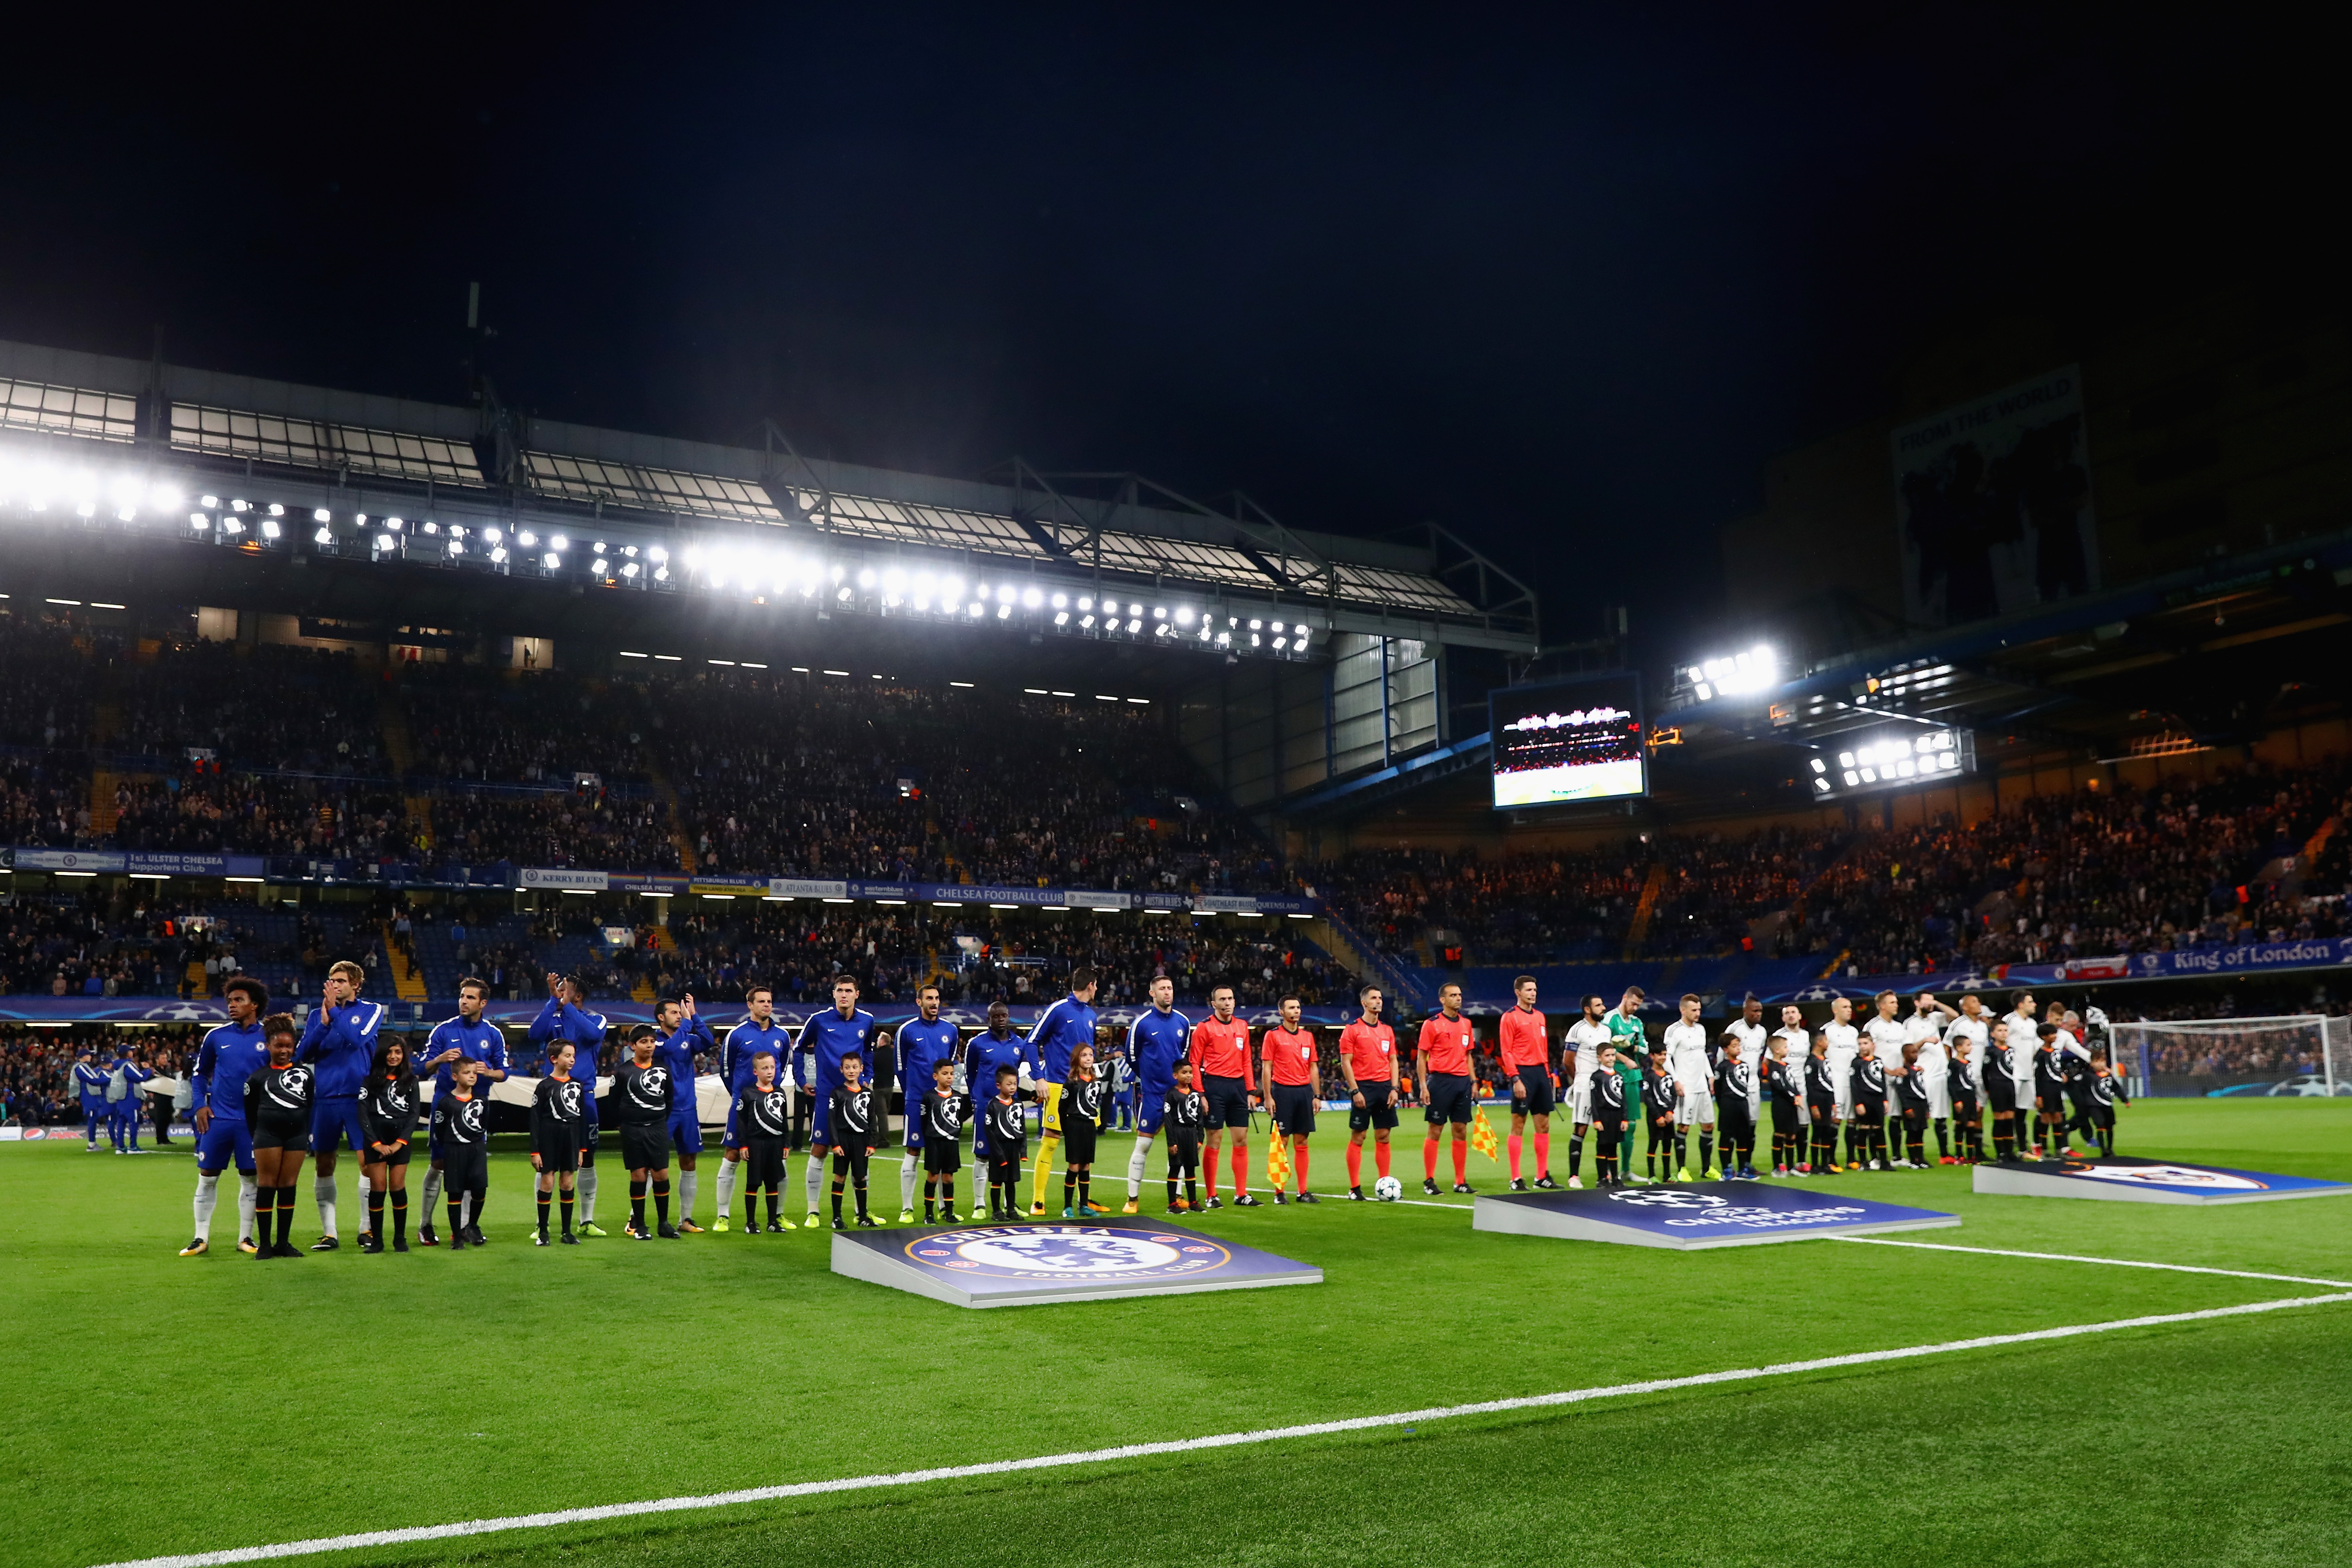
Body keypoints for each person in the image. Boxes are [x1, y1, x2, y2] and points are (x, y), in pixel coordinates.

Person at [183, 976, 270, 1257]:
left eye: (239, 1000)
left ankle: (246, 1237)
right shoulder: (216, 1036)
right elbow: (199, 1074)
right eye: (230, 1001)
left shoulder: (269, 1036)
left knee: (250, 1178)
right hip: (218, 1119)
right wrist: (199, 1105)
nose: (232, 1005)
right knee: (207, 1176)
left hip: (252, 1123)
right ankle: (200, 1237)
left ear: (254, 1005)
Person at [418, 977, 507, 1248]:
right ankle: (426, 1224)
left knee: (473, 1167)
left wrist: (488, 1072)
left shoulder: (493, 1034)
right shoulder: (443, 1031)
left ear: (483, 1003)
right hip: (445, 1105)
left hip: (477, 1108)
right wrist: (441, 1059)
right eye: (462, 996)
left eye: (470, 998)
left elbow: (504, 1072)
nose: (463, 1002)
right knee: (439, 1163)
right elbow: (421, 1068)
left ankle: (467, 1226)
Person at [528, 971, 610, 1235]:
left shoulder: (596, 1019)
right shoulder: (554, 1017)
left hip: (583, 1096)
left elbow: (592, 1035)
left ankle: (586, 1221)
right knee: (547, 1162)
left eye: (566, 988)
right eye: (559, 986)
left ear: (578, 996)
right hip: (553, 1095)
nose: (560, 989)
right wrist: (553, 1002)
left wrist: (567, 1007)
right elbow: (534, 1033)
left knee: (587, 1158)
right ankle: (542, 1225)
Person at [795, 976, 876, 1227]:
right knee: (820, 1149)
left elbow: (869, 1050)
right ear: (834, 994)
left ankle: (860, 1212)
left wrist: (868, 1076)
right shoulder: (819, 1020)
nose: (844, 995)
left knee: (860, 1153)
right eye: (840, 990)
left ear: (856, 994)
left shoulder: (867, 1020)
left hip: (856, 1097)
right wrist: (801, 1079)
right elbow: (798, 1048)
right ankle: (813, 1211)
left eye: (849, 991)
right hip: (827, 1095)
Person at [713, 983, 791, 1232]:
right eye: (761, 1002)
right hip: (744, 1105)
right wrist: (742, 1097)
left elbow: (783, 1068)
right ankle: (723, 1215)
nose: (766, 1005)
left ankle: (776, 1216)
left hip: (772, 1107)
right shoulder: (736, 1035)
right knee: (733, 1155)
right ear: (750, 1005)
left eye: (769, 1001)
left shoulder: (783, 1036)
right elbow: (726, 1071)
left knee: (777, 1161)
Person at [1024, 968, 1099, 1217]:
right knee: (1051, 1141)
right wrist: (1039, 1078)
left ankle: (1084, 1202)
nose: (1097, 989)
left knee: (1085, 1146)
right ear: (1090, 985)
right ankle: (1038, 1201)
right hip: (1058, 1085)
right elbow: (1031, 1042)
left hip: (1086, 1088)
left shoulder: (1090, 1014)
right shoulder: (1058, 1010)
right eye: (1096, 985)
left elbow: (1087, 1054)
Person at [243, 1014, 313, 1259]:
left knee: (288, 1185)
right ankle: (264, 1245)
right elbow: (250, 1113)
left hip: (297, 1136)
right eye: (279, 1046)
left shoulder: (305, 1074)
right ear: (269, 1046)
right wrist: (258, 1138)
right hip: (267, 1135)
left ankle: (283, 1243)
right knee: (267, 1185)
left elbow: (309, 1105)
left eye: (288, 1046)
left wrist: (306, 1134)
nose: (284, 1051)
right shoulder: (257, 1077)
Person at [1121, 975, 1191, 1214]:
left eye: (1170, 988)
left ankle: (1178, 1196)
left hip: (1177, 1096)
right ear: (1152, 993)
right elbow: (1131, 1056)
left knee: (1181, 1147)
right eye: (1162, 989)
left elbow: (1183, 1056)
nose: (1167, 992)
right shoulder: (1142, 1024)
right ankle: (1132, 1199)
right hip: (1152, 1095)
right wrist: (1148, 1076)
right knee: (1143, 1145)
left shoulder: (1183, 1022)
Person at [892, 984, 960, 1223]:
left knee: (942, 1154)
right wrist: (913, 1092)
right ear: (919, 1002)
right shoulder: (907, 1031)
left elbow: (948, 1062)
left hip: (943, 1104)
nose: (934, 1002)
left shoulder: (950, 1030)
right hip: (917, 1102)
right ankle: (907, 1208)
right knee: (913, 1150)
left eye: (937, 998)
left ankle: (943, 1208)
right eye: (929, 998)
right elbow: (899, 1066)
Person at [1187, 984, 1258, 1208]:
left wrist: (1250, 1091)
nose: (1228, 1003)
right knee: (1214, 1139)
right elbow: (1194, 1063)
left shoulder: (1243, 1026)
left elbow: (1247, 1059)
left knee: (1241, 1139)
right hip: (1214, 1086)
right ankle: (1211, 1195)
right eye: (1223, 999)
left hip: (1238, 1087)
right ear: (1214, 1003)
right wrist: (1201, 1094)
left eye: (1231, 999)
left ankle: (1241, 1194)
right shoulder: (1204, 1028)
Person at [651, 993, 716, 1232]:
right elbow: (670, 1047)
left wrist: (695, 1015)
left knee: (689, 1161)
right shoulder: (654, 1040)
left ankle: (686, 1219)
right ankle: (634, 1218)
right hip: (663, 1110)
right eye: (674, 1012)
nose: (679, 1016)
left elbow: (708, 1040)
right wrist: (688, 1023)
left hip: (688, 1108)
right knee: (653, 1163)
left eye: (680, 1012)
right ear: (661, 1017)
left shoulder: (688, 1036)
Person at [964, 1002, 1036, 1218]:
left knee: (1009, 1156)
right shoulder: (977, 1044)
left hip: (1009, 1110)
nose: (1001, 1019)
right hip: (986, 1107)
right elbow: (970, 1073)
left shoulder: (1020, 1044)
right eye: (996, 1016)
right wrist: (976, 1097)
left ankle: (1009, 1205)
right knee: (983, 1155)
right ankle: (980, 1205)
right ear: (989, 1019)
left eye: (1004, 1015)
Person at [614, 1024, 678, 1240]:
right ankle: (640, 1225)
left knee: (661, 1174)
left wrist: (659, 1120)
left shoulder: (663, 1070)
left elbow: (668, 1099)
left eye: (652, 1041)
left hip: (658, 1128)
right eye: (644, 1042)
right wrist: (625, 1125)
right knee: (639, 1174)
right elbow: (615, 1104)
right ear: (632, 1046)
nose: (649, 1046)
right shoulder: (623, 1072)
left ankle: (664, 1223)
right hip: (633, 1130)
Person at [1337, 984, 1401, 1200]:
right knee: (1359, 1136)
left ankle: (1385, 1182)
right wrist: (1355, 1091)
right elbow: (1346, 1062)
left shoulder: (1387, 1031)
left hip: (1385, 1087)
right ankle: (1355, 1188)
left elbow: (1393, 1060)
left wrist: (1394, 1087)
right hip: (1363, 1086)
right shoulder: (1352, 1030)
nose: (1379, 1001)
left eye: (1380, 998)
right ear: (1364, 1003)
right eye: (1374, 998)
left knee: (1383, 1136)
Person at [359, 1036, 421, 1254]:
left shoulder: (411, 1082)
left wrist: (399, 1143)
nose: (394, 1056)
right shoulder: (369, 1081)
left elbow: (414, 1115)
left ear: (404, 1055)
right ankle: (377, 1241)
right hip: (376, 1141)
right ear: (382, 1054)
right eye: (389, 1052)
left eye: (398, 1052)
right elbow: (363, 1114)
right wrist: (375, 1144)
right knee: (378, 1188)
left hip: (400, 1142)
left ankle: (400, 1239)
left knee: (397, 1186)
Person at [1417, 981, 1477, 1196]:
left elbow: (1468, 1055)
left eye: (1460, 995)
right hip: (1440, 1081)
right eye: (1453, 995)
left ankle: (1460, 1181)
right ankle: (1429, 1181)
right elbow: (1421, 1057)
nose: (1458, 998)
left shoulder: (1466, 1025)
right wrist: (1424, 1086)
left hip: (1462, 1082)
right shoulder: (1431, 1024)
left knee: (1461, 1130)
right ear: (1442, 1000)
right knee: (1436, 1129)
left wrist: (1474, 1081)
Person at [530, 1039, 591, 1245]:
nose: (572, 1060)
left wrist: (581, 1148)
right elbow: (535, 1120)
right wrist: (535, 1151)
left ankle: (567, 1232)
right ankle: (544, 1232)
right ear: (554, 1059)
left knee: (567, 1182)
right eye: (567, 1056)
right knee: (548, 1181)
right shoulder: (544, 1086)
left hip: (571, 1137)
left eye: (574, 1056)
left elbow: (582, 1119)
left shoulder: (577, 1085)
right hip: (549, 1136)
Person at [1260, 994, 1319, 1204]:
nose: (1297, 1011)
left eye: (1298, 1008)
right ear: (1281, 1012)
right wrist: (1268, 1097)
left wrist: (1317, 1095)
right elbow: (1267, 1068)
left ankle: (1303, 1192)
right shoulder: (1273, 1036)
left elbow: (1313, 1066)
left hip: (1304, 1092)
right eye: (1292, 1008)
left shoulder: (1308, 1037)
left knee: (1302, 1141)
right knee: (1281, 1142)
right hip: (1283, 1091)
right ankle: (1279, 1192)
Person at [1498, 974, 1555, 1191]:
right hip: (1522, 1073)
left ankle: (1541, 1176)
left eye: (1535, 990)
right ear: (1518, 993)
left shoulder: (1540, 1017)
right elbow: (1507, 1050)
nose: (1533, 993)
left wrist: (1548, 1075)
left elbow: (1544, 1048)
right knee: (1518, 1125)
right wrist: (1515, 1078)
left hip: (1541, 1072)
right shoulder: (1510, 1017)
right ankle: (1516, 1177)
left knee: (1544, 1125)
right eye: (1529, 990)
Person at [432, 1057, 491, 1251]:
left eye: (474, 1073)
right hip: (455, 1150)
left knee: (480, 1189)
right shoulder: (447, 1102)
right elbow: (439, 1129)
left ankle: (471, 1225)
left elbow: (484, 1124)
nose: (472, 1076)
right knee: (455, 1192)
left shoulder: (481, 1100)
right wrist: (449, 1146)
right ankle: (456, 1236)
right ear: (455, 1076)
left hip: (476, 1149)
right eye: (467, 1073)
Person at [730, 1050, 792, 1234]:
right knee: (754, 1182)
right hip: (756, 1143)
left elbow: (783, 1120)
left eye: (772, 1067)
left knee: (773, 1182)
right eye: (765, 1068)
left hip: (775, 1143)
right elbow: (741, 1121)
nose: (770, 1071)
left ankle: (773, 1222)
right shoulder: (748, 1093)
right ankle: (751, 1222)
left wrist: (785, 1143)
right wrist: (743, 1144)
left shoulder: (780, 1093)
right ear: (756, 1072)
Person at [1561, 993, 1613, 1189]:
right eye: (1599, 1005)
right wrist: (1579, 1079)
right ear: (1588, 1009)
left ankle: (1604, 1174)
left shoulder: (1606, 1031)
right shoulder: (1578, 1030)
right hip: (1585, 1084)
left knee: (1605, 1129)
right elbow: (1568, 1061)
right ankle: (1574, 1176)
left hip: (1604, 1086)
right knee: (1581, 1128)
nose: (1603, 1008)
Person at [1663, 993, 1717, 1180]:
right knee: (1684, 1127)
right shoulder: (1674, 1031)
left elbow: (1702, 1055)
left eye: (1699, 1010)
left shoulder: (1701, 1030)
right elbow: (1666, 1059)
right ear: (1683, 1010)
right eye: (1694, 1010)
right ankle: (1682, 1169)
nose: (1698, 1013)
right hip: (1686, 1086)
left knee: (1709, 1125)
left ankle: (1706, 1168)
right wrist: (1676, 1080)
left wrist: (1710, 1076)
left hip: (1702, 1085)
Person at [1059, 1042, 1113, 1217]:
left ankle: (1084, 1205)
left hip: (1089, 1126)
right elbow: (1062, 1108)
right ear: (1076, 1059)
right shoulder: (1071, 1083)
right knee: (1074, 1165)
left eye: (1091, 1055)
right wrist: (1066, 1130)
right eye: (1084, 1055)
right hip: (1074, 1125)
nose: (1089, 1058)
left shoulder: (1096, 1082)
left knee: (1086, 1166)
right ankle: (1068, 1206)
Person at [917, 1057, 966, 1223]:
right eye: (945, 1074)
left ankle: (949, 1212)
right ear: (935, 1076)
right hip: (934, 1142)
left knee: (948, 1177)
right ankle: (929, 1214)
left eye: (952, 1074)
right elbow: (923, 1120)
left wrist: (955, 1132)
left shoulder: (959, 1097)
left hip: (951, 1143)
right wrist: (930, 1136)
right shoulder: (929, 1097)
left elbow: (960, 1118)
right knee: (932, 1176)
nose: (949, 1077)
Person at [1942, 995, 1990, 1164]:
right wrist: (1953, 1067)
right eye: (1975, 1002)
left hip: (1979, 1075)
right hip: (1964, 1077)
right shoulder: (1958, 1024)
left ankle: (1977, 1151)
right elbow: (1947, 1045)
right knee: (1962, 1117)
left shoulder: (1984, 1026)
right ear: (1966, 1008)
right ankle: (1960, 1153)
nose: (1979, 1004)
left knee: (1979, 1113)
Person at [1769, 1003, 1811, 1173]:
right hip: (1786, 1090)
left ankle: (1800, 1161)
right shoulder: (1779, 1037)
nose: (1791, 1015)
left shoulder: (1806, 1035)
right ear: (1783, 1018)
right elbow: (1769, 1062)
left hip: (1802, 1085)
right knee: (1786, 1129)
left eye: (1794, 1012)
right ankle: (1782, 1165)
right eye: (1787, 1013)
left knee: (1803, 1124)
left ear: (1800, 1016)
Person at [1820, 995, 1861, 1170]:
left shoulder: (1854, 1032)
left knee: (1852, 1120)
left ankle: (1851, 1159)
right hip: (1835, 1082)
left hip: (1852, 1082)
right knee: (1835, 1120)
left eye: (1850, 1007)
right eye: (1845, 1007)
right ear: (1835, 1010)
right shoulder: (1827, 1030)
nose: (1849, 1010)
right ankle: (1831, 1160)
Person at [983, 1065, 1025, 1221]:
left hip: (1013, 1147)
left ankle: (1011, 1209)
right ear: (999, 1085)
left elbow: (1022, 1128)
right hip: (999, 1148)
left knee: (1011, 1180)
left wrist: (1023, 1151)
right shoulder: (993, 1105)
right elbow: (989, 1130)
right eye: (1009, 1084)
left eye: (1015, 1083)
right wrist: (998, 1153)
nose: (1013, 1087)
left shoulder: (1018, 1104)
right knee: (997, 1180)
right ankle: (996, 1211)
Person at [2000, 991, 2040, 1154]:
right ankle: (2006, 1148)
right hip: (2013, 1073)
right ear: (2021, 1005)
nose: (2035, 1004)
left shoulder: (2032, 1024)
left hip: (2028, 1073)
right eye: (2031, 1001)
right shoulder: (2010, 1020)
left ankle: (2023, 1148)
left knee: (2022, 1113)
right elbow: (1999, 1038)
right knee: (2009, 1112)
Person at [1164, 1059, 1207, 1211]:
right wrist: (1171, 1142)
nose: (1188, 1076)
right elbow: (1168, 1119)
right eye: (1184, 1073)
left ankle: (1193, 1202)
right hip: (1178, 1132)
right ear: (1175, 1075)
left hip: (1191, 1133)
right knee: (1175, 1168)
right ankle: (1172, 1204)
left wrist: (1200, 1140)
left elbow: (1200, 1118)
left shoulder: (1195, 1094)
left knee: (1191, 1168)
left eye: (1190, 1073)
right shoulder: (1172, 1094)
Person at [1715, 1029, 1757, 1179]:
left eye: (1739, 1046)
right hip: (1728, 1104)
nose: (1738, 1049)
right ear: (1726, 1049)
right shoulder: (1722, 1067)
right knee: (1727, 1136)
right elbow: (1718, 1089)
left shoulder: (1744, 1065)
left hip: (1742, 1103)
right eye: (1734, 1046)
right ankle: (1727, 1168)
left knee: (1743, 1136)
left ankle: (1742, 1169)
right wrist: (1723, 1104)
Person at [1588, 1044, 1630, 1187]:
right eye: (1607, 1056)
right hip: (1604, 1115)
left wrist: (1625, 1118)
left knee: (1613, 1147)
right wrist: (1596, 1120)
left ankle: (1615, 1177)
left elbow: (1624, 1099)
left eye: (1613, 1055)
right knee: (1602, 1146)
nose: (1611, 1058)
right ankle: (1602, 1178)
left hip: (1617, 1116)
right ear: (1599, 1058)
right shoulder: (1597, 1077)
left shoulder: (1619, 1076)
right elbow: (1593, 1100)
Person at [1763, 1031, 1803, 1176]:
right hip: (1781, 1105)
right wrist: (1794, 1098)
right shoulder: (1773, 1067)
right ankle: (1777, 1166)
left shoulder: (1787, 1066)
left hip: (1791, 1104)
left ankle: (1791, 1167)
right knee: (1780, 1134)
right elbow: (1780, 1086)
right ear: (1777, 1050)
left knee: (1792, 1135)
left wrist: (1798, 1095)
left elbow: (1792, 1083)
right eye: (1786, 1047)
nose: (1788, 1050)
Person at [1984, 1018, 2023, 1162]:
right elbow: (1984, 1072)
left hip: (2009, 1085)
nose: (2003, 1033)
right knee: (2000, 1119)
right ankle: (2000, 1153)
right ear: (1993, 1034)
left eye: (2005, 1030)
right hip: (1997, 1086)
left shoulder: (2011, 1050)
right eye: (2000, 1031)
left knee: (2010, 1120)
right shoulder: (1991, 1051)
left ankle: (2010, 1151)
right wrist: (1988, 1089)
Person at [1803, 1031, 1840, 1175]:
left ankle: (1825, 1164)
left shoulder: (1825, 1060)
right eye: (1826, 1040)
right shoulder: (1811, 1062)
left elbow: (1830, 1082)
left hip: (1827, 1099)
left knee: (1827, 1131)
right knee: (1817, 1131)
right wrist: (1813, 1105)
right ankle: (1815, 1165)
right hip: (1817, 1099)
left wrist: (1833, 1103)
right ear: (1819, 1042)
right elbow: (1810, 1085)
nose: (1828, 1043)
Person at [1851, 1036, 1890, 1172]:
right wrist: (1858, 1103)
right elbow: (1854, 1084)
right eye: (1860, 1044)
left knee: (1879, 1130)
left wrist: (1885, 1099)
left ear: (1873, 1045)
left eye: (1865, 1043)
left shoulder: (1878, 1061)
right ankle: (1863, 1162)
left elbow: (1882, 1081)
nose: (1863, 1047)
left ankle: (1884, 1161)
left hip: (1878, 1100)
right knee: (1864, 1129)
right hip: (1864, 1099)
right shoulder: (1856, 1063)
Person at [1640, 1041, 1677, 1182]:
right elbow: (1647, 1098)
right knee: (1654, 1143)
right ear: (1652, 1056)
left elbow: (1673, 1095)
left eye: (1665, 1054)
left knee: (1668, 1144)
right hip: (1655, 1116)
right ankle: (1651, 1175)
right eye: (1660, 1055)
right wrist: (1657, 1116)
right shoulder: (1649, 1075)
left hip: (1668, 1115)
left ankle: (1667, 1175)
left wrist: (1670, 1112)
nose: (1663, 1057)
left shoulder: (1668, 1075)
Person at [1892, 1041, 1931, 1168]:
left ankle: (1921, 1159)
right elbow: (1901, 1091)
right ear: (1905, 1055)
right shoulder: (1904, 1072)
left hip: (1921, 1104)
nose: (1916, 1055)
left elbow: (1922, 1089)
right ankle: (1913, 1160)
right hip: (1911, 1105)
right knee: (1912, 1132)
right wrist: (1907, 1108)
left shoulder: (1918, 1070)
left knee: (1920, 1132)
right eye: (1913, 1053)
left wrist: (1927, 1108)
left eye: (1917, 1052)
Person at [1949, 1031, 1986, 1163]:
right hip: (1961, 1098)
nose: (1971, 1048)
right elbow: (1951, 1083)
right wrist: (1956, 1100)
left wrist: (1975, 1100)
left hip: (1970, 1098)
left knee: (1971, 1125)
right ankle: (1959, 1155)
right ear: (1959, 1048)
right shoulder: (1954, 1064)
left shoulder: (1968, 1063)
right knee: (1960, 1125)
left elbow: (1971, 1082)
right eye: (1968, 1045)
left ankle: (1971, 1156)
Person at [2084, 1049, 2128, 1156]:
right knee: (2100, 1125)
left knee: (2110, 1126)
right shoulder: (2088, 1076)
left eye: (2102, 1061)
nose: (2100, 1063)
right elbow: (2082, 1090)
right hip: (2094, 1105)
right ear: (2092, 1063)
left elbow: (2117, 1088)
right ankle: (2103, 1150)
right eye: (2097, 1061)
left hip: (2107, 1104)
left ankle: (2110, 1149)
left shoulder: (2109, 1076)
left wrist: (2125, 1100)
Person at [73, 1048, 109, 1152]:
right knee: (92, 1118)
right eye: (89, 1055)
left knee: (94, 1118)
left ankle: (93, 1143)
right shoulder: (80, 1067)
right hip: (88, 1095)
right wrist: (109, 1079)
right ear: (84, 1056)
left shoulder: (84, 1067)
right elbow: (93, 1081)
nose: (91, 1057)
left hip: (90, 1094)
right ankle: (91, 1144)